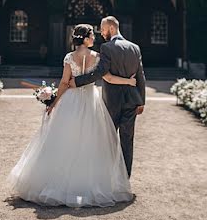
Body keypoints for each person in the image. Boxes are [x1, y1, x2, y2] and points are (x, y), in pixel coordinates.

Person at [8, 24, 135, 207]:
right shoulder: (98, 57)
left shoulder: (69, 57)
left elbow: (64, 83)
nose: (94, 38)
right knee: (91, 142)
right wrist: (128, 81)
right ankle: (88, 184)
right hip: (91, 101)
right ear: (85, 38)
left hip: (71, 101)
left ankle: (57, 183)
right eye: (92, 35)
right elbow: (108, 78)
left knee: (65, 139)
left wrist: (54, 102)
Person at [70, 15, 146, 177]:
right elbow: (141, 76)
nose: (102, 33)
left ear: (111, 28)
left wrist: (76, 81)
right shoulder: (135, 47)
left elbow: (100, 72)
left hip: (112, 100)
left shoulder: (107, 48)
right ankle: (125, 177)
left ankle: (108, 177)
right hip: (132, 100)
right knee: (127, 139)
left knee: (108, 138)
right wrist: (142, 101)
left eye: (103, 29)